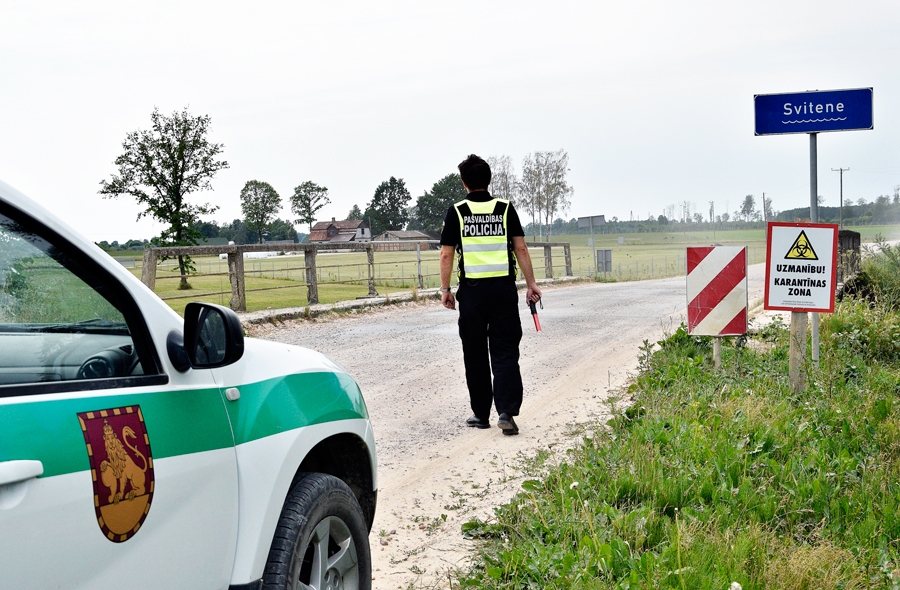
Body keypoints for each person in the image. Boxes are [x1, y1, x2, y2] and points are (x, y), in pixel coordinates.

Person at [439, 154, 542, 435]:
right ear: (489, 179)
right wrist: (531, 284)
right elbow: (521, 249)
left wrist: (446, 289)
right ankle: (506, 412)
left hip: (471, 293)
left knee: (474, 353)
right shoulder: (506, 209)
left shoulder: (457, 212)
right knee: (506, 350)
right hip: (503, 291)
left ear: (464, 183)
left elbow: (447, 254)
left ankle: (481, 414)